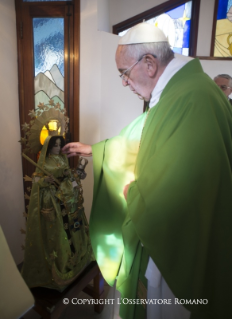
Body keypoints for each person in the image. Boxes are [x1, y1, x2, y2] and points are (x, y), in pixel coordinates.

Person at [62, 23, 232, 319]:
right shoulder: (181, 90)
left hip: (179, 247)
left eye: (124, 74)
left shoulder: (193, 98)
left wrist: (135, 194)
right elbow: (140, 137)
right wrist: (98, 150)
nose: (125, 83)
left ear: (150, 64)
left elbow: (185, 185)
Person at [21, 135, 93, 291]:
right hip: (52, 199)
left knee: (73, 225)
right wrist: (45, 181)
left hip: (67, 197)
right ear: (48, 146)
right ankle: (59, 264)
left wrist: (75, 179)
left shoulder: (62, 159)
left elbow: (68, 174)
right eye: (55, 144)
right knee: (59, 230)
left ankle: (75, 258)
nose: (57, 147)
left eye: (60, 144)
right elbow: (36, 180)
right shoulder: (44, 162)